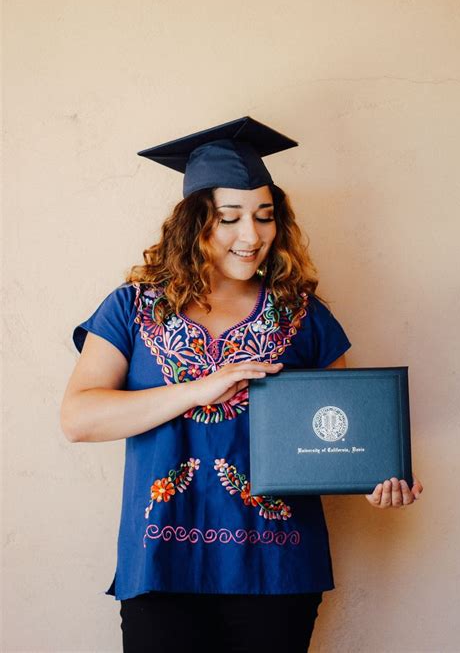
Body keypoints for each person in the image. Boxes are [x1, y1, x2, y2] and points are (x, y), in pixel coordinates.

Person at [60, 117, 423, 653]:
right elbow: (79, 419)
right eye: (229, 218)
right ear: (193, 223)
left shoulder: (304, 317)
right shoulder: (132, 309)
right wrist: (198, 388)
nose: (251, 236)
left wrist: (372, 478)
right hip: (161, 563)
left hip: (276, 566)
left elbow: (340, 437)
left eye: (265, 216)